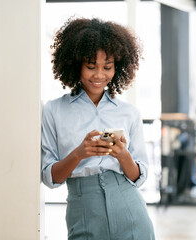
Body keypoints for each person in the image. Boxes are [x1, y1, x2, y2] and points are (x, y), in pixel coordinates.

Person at [41, 17, 155, 239]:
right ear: (76, 65)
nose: (99, 75)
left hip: (130, 209)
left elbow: (138, 176)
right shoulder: (54, 110)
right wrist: (78, 154)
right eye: (91, 67)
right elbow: (50, 177)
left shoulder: (129, 113)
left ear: (118, 67)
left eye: (108, 67)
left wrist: (123, 157)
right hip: (83, 210)